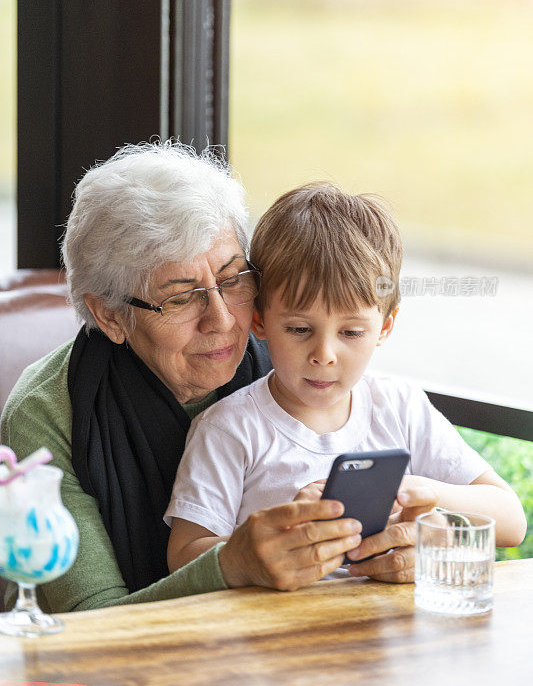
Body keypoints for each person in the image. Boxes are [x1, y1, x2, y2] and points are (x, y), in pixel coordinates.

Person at [1, 143, 432, 613]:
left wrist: (415, 540)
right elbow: (92, 619)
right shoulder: (47, 413)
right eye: (182, 298)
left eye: (232, 279)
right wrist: (230, 565)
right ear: (111, 315)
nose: (225, 320)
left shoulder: (296, 354)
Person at [166, 184, 526, 578]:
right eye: (300, 328)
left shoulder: (399, 407)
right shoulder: (230, 430)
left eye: (351, 333)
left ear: (385, 326)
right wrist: (264, 545)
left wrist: (420, 494)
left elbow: (510, 520)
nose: (324, 354)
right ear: (259, 322)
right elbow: (183, 556)